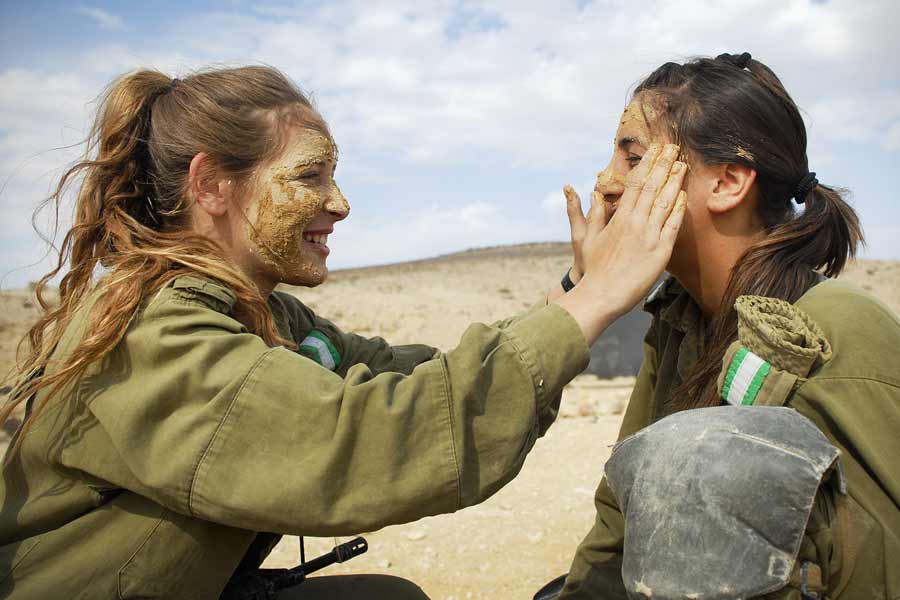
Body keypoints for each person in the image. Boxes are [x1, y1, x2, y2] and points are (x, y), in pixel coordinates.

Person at [0, 66, 687, 599]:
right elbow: (363, 440)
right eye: (310, 176)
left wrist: (568, 295)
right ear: (211, 184)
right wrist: (595, 302)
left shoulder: (257, 316)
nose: (340, 203)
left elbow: (411, 381)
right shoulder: (154, 331)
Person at [551, 53, 900, 599]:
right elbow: (622, 517)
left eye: (632, 157)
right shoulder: (680, 319)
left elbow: (880, 567)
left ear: (728, 182)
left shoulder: (839, 332)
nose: (606, 183)